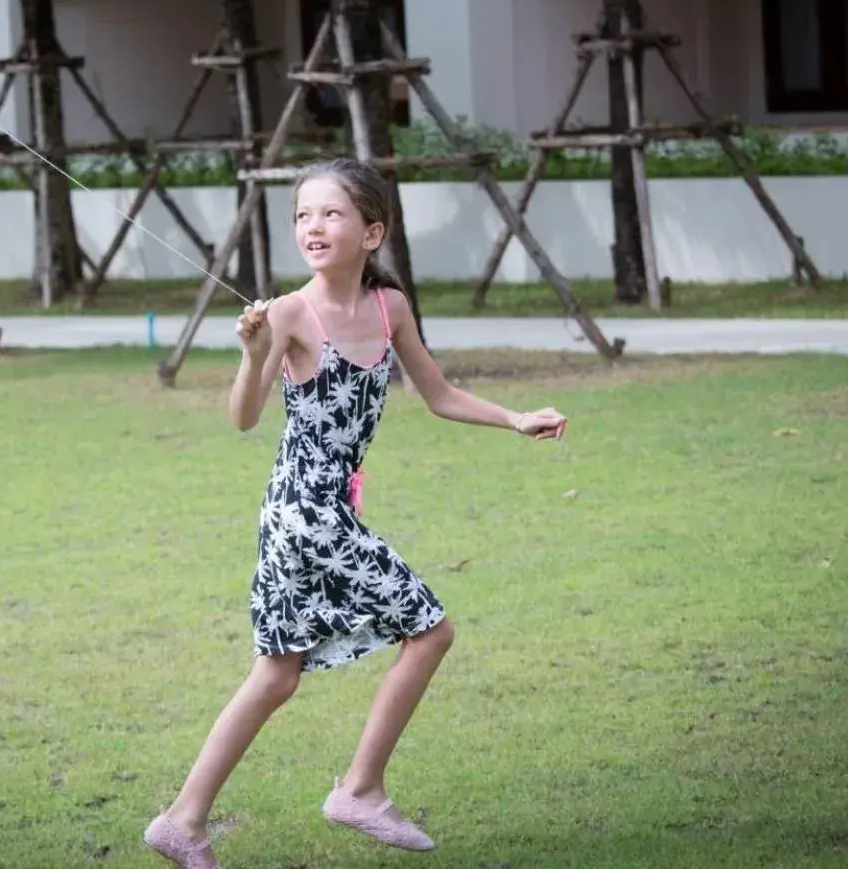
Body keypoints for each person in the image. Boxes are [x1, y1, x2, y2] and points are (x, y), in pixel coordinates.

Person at [144, 158, 568, 867]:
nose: (313, 225)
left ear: (372, 232)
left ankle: (181, 823)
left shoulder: (388, 308)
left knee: (277, 675)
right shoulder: (287, 314)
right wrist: (254, 357)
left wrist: (516, 417)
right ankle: (360, 791)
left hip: (324, 507)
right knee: (430, 631)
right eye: (303, 214)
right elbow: (245, 418)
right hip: (301, 513)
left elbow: (437, 394)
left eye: (332, 214)